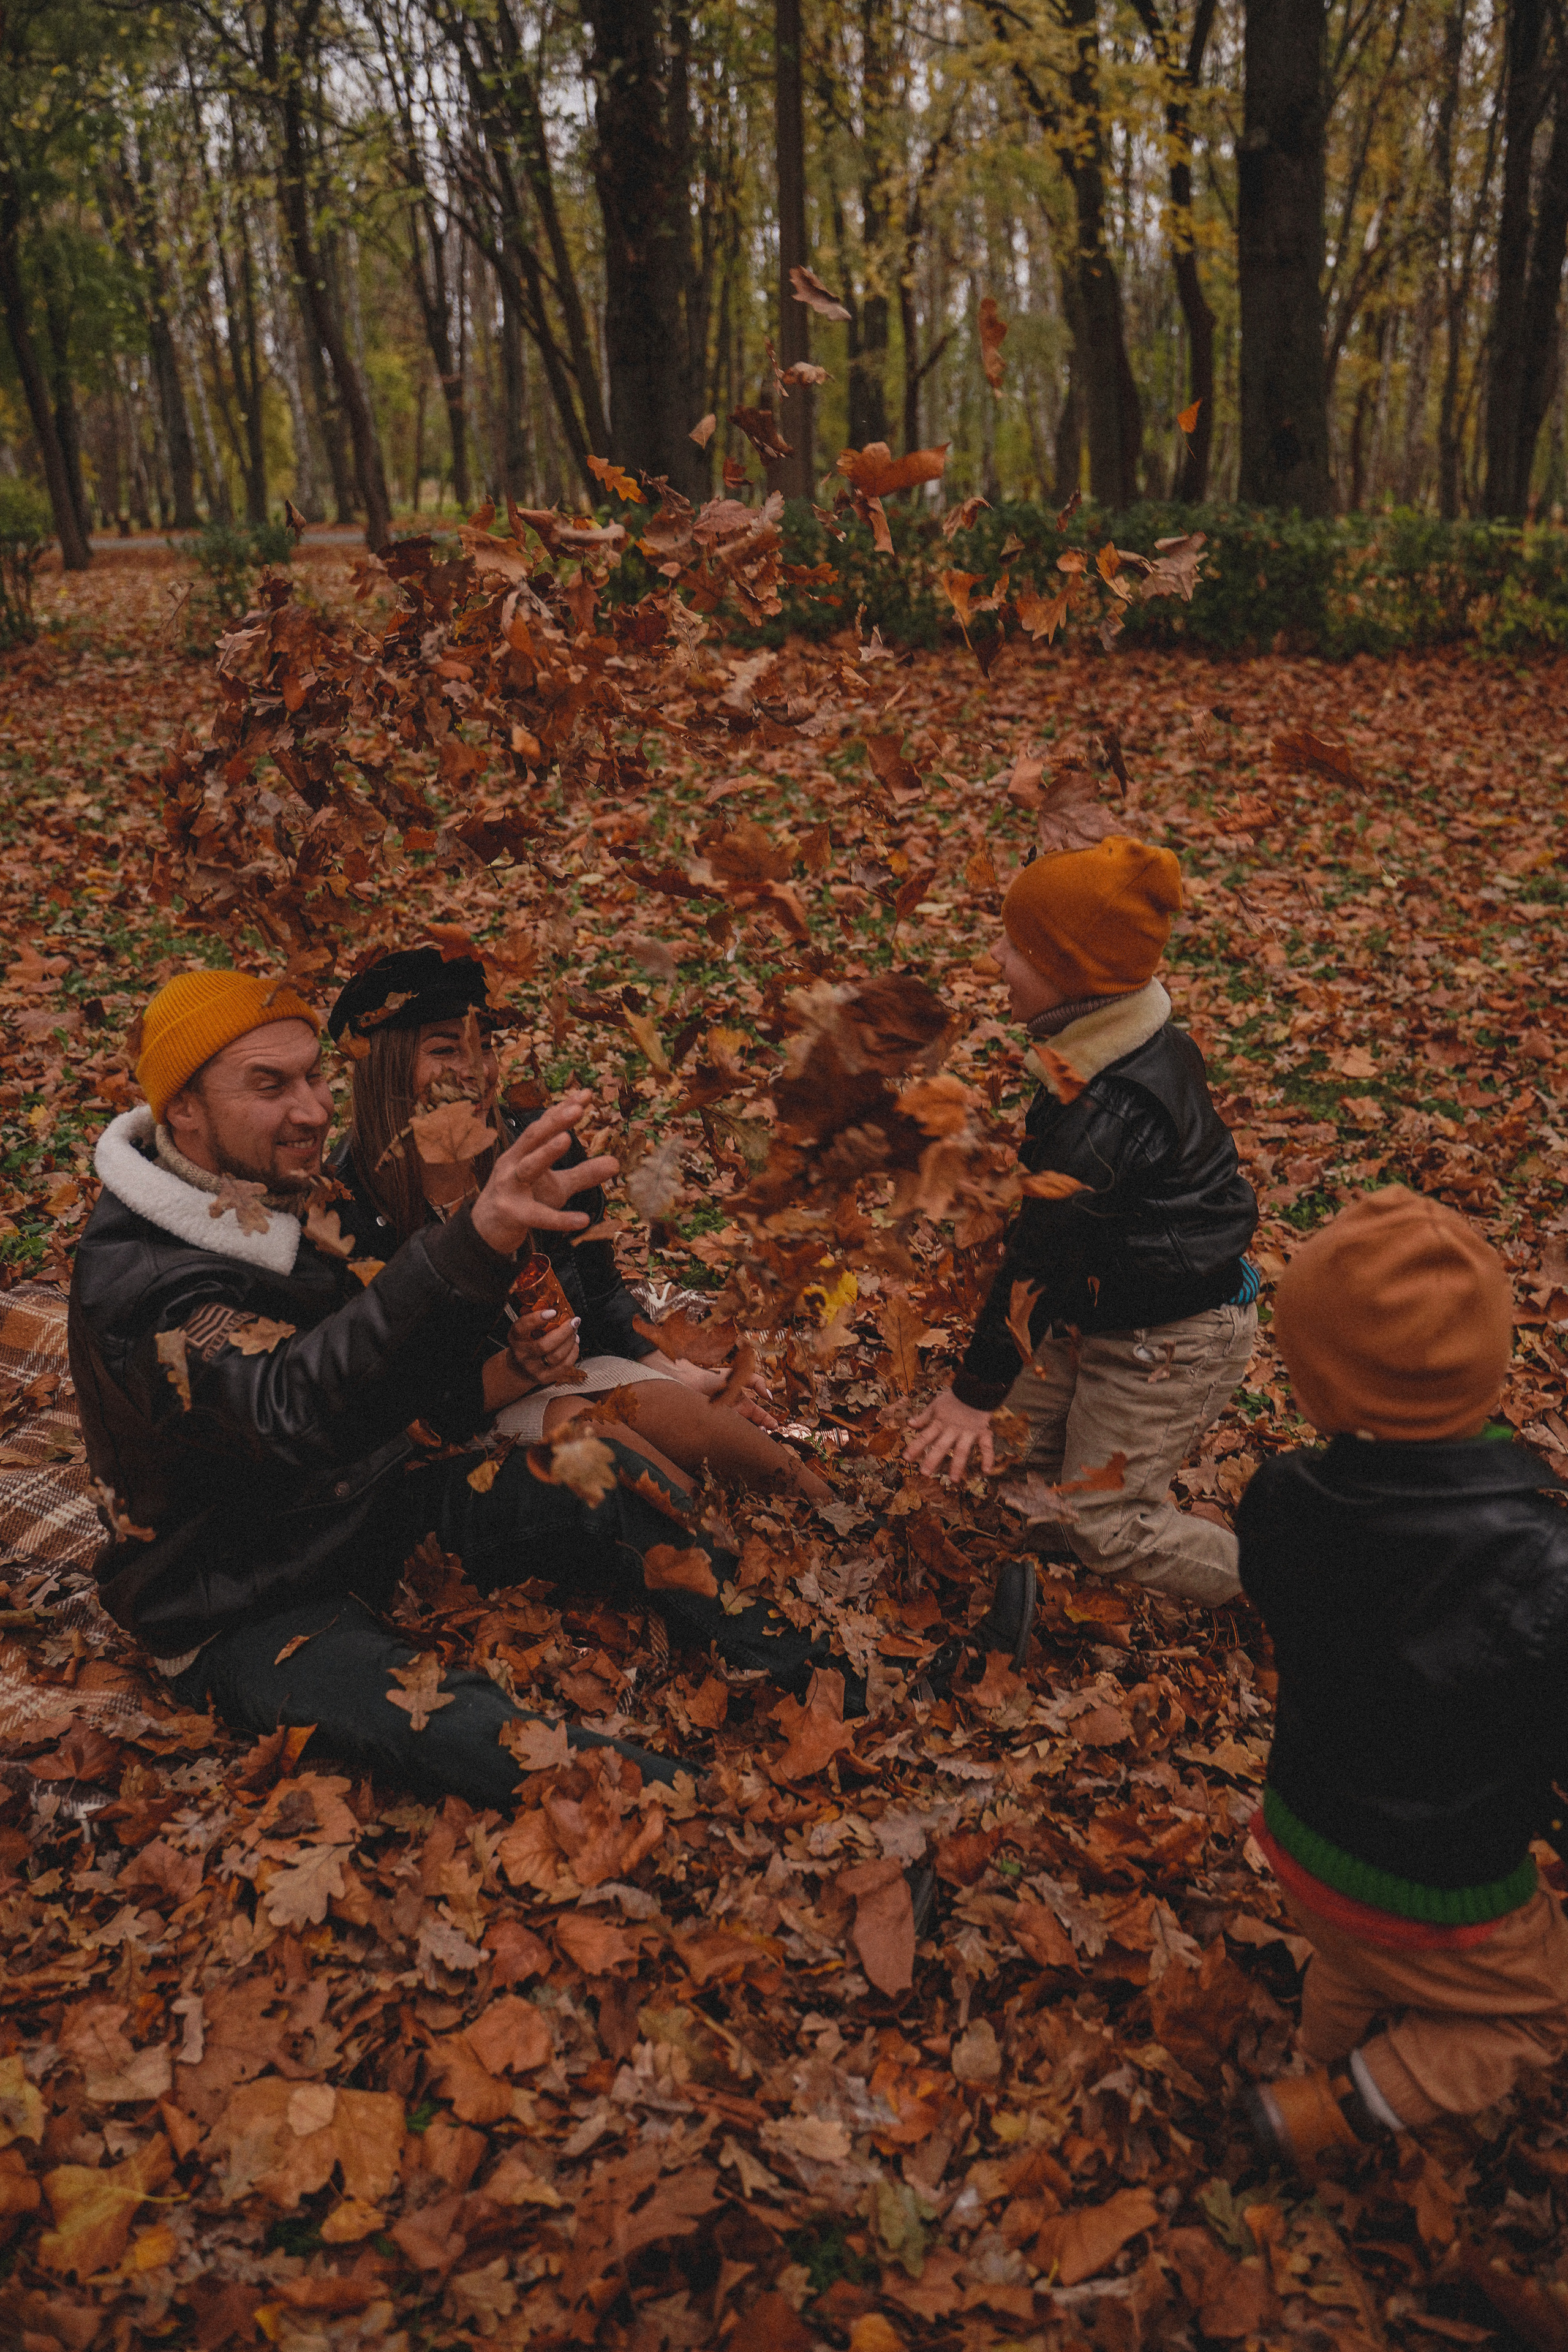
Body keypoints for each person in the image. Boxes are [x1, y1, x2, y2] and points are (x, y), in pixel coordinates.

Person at [67, 969, 838, 1811]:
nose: (315, 1108)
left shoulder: (291, 1195)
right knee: (450, 1720)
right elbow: (284, 1407)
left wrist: (508, 1305)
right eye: (269, 1084)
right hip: (238, 1595)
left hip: (365, 1507)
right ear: (182, 1109)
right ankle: (734, 1815)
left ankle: (821, 1678)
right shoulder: (145, 1285)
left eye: (315, 1075)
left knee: (601, 1470)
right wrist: (466, 1246)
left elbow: (400, 1374)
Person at [1238, 1188, 1568, 2170]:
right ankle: (1344, 2102)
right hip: (1441, 1887)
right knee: (1543, 2010)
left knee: (1350, 1960)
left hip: (1298, 1829)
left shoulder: (1281, 1502)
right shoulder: (1546, 1559)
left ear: (1316, 1387)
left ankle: (1318, 2060)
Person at [325, 946, 829, 1504]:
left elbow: (600, 1291)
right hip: (453, 1424)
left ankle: (846, 1521)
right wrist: (515, 1370)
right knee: (592, 1433)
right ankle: (715, 1554)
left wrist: (669, 1367)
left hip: (565, 1371)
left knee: (681, 1413)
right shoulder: (343, 1210)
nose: (478, 1070)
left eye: (486, 1045)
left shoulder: (536, 1144)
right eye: (446, 1050)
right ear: (385, 1068)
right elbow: (378, 1409)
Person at [905, 835, 1259, 1608]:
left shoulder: (1107, 1111)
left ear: (1071, 977)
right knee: (1008, 1453)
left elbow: (1038, 1261)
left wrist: (971, 1390)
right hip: (1098, 1311)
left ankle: (1296, 1590)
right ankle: (1047, 1570)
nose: (994, 956)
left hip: (1167, 1339)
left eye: (1018, 947)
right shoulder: (1108, 1048)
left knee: (1104, 1522)